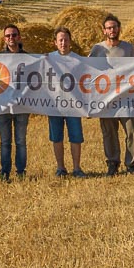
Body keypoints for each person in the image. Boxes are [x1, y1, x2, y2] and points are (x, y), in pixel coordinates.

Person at [89, 15, 134, 176]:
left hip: (126, 98)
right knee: (109, 132)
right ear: (104, 31)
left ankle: (131, 164)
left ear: (119, 28)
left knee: (131, 131)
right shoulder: (97, 49)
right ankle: (112, 163)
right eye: (109, 28)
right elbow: (89, 73)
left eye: (115, 27)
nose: (112, 30)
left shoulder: (128, 48)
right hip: (106, 99)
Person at [49, 26, 86, 178]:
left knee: (76, 136)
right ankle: (61, 168)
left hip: (74, 105)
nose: (63, 43)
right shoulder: (47, 58)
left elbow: (87, 83)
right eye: (60, 40)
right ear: (55, 43)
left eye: (66, 40)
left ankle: (77, 168)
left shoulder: (79, 60)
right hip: (54, 105)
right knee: (56, 137)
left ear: (70, 42)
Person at [0, 24, 30, 180]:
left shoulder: (29, 58)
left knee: (21, 140)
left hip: (22, 105)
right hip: (3, 105)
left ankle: (21, 171)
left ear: (19, 37)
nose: (11, 38)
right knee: (5, 141)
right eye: (8, 36)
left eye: (14, 35)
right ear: (4, 39)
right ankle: (5, 171)